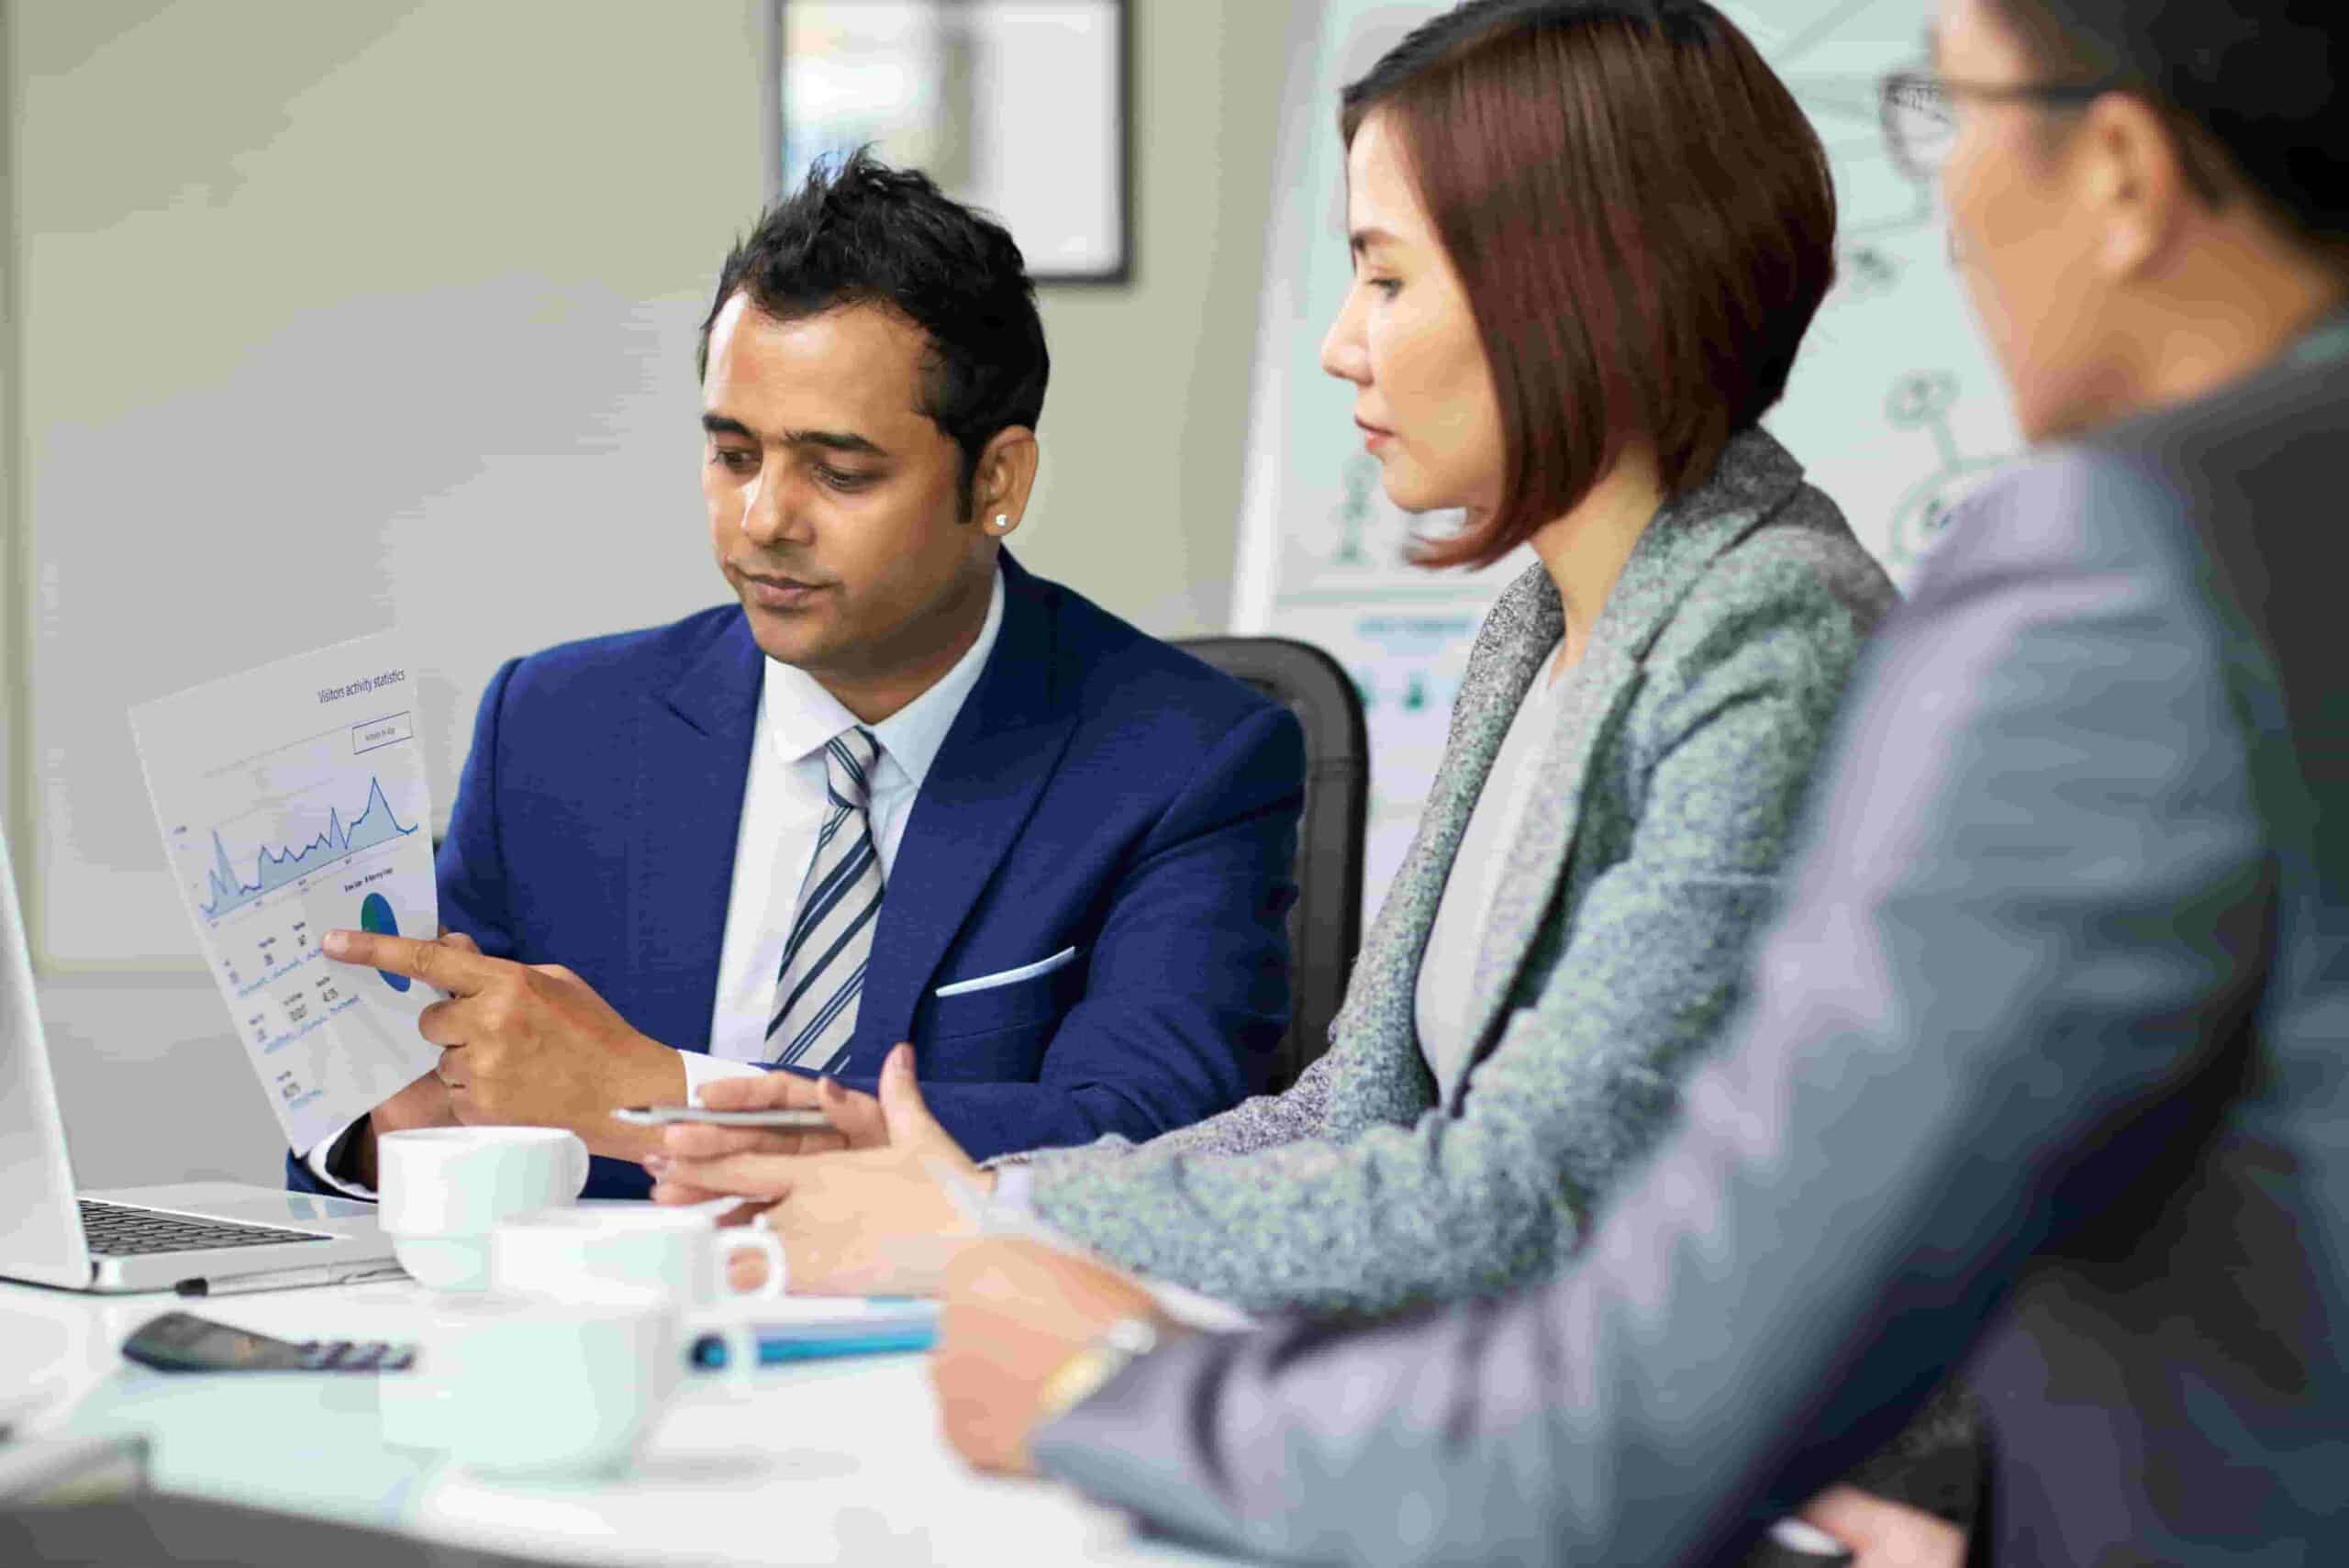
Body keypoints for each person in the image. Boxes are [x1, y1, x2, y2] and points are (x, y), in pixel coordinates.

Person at [927, 0, 2349, 1562]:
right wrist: (998, 1195)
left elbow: (1598, 1330)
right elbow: (1377, 1103)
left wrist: (1098, 1374)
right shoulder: (1535, 622)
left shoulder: (2102, 571)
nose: (1943, 202)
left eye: (1955, 116)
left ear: (2126, 171)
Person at [295, 151, 1307, 1202]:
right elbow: (409, 1118)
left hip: (949, 1302)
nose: (764, 518)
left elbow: (1154, 1134)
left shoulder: (1188, 759)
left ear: (996, 479)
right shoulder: (551, 726)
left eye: (839, 471)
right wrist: (400, 1131)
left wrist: (663, 1094)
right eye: (734, 456)